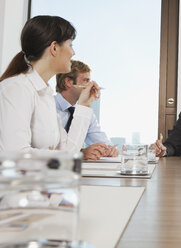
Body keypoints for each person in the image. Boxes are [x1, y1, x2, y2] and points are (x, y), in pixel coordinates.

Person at [0, 15, 102, 157]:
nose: (73, 52)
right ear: (54, 48)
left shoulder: (45, 94)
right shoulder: (16, 88)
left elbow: (68, 151)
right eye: (70, 45)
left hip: (43, 179)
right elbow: (15, 154)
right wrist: (64, 158)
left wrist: (84, 105)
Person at [55, 60, 118, 159]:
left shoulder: (85, 112)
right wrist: (81, 153)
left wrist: (110, 149)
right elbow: (51, 148)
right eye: (86, 80)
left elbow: (100, 141)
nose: (91, 86)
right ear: (68, 82)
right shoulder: (49, 107)